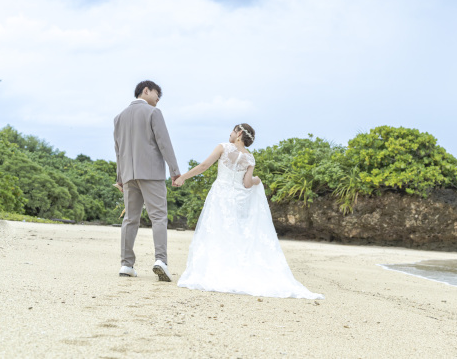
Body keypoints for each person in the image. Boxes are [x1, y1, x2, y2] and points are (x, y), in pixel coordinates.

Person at [173, 124, 323, 299]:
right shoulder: (250, 158)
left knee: (217, 233)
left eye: (232, 130)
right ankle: (233, 271)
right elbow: (246, 184)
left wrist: (183, 177)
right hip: (236, 201)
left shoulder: (223, 147)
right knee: (235, 235)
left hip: (220, 196)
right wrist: (257, 179)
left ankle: (217, 271)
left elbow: (204, 166)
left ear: (239, 133)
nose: (229, 133)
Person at [113, 80, 181, 282]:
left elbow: (118, 151)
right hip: (151, 173)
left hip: (128, 176)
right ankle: (161, 260)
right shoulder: (153, 113)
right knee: (158, 217)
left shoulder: (118, 117)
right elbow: (164, 143)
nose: (158, 99)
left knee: (130, 219)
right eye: (157, 94)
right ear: (146, 90)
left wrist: (120, 178)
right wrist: (175, 171)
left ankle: (126, 264)